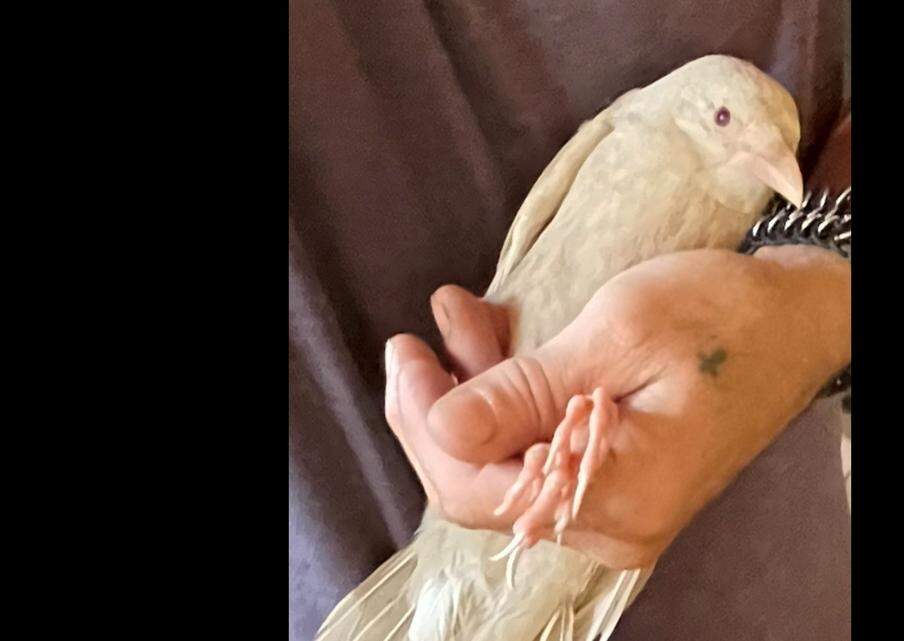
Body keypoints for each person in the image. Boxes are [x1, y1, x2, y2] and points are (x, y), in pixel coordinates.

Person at [289, 1, 850, 639]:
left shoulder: (734, 172)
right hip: (340, 564)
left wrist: (815, 292)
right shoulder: (626, 132)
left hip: (762, 578)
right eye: (725, 121)